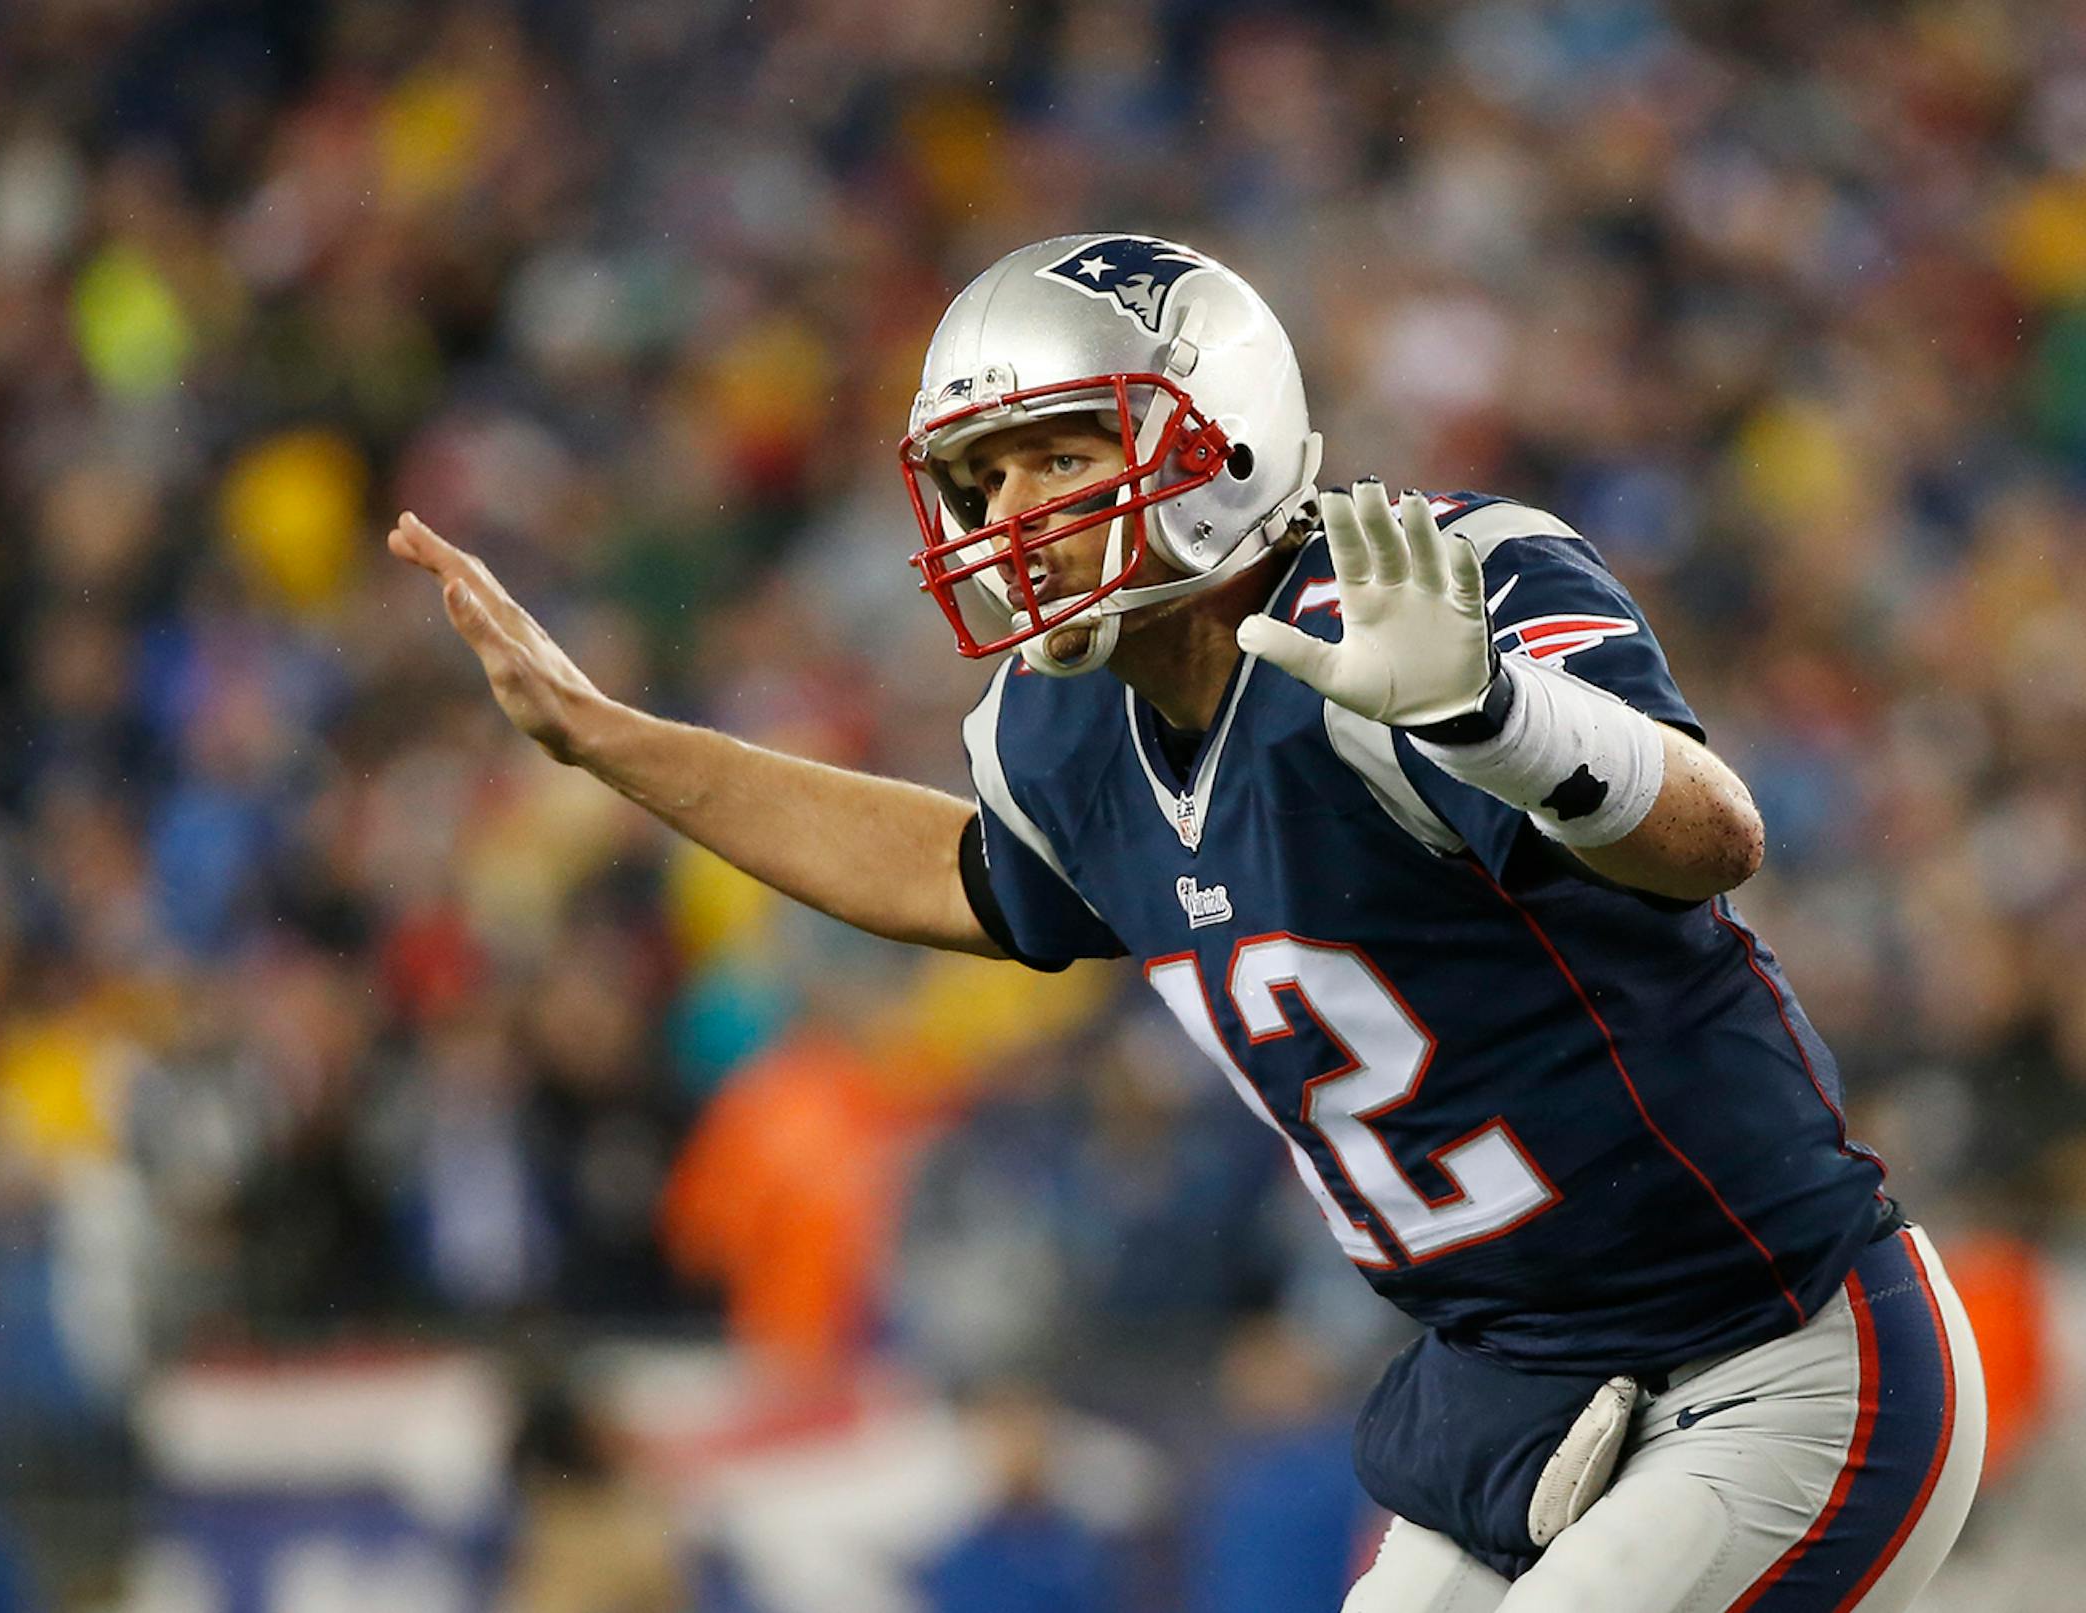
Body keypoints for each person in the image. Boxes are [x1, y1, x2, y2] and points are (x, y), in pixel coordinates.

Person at [389, 233, 1986, 1611]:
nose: (1013, 510)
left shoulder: (1415, 597)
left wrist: (1494, 712)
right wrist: (616, 739)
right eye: (982, 474)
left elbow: (1713, 836)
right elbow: (956, 878)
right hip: (1510, 1381)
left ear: (1214, 438)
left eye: (1060, 454)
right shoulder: (1059, 732)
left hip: (1772, 1353)